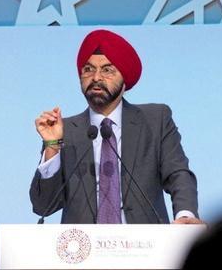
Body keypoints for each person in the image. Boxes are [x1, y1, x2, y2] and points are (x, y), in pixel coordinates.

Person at [30, 29, 200, 224]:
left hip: (144, 240)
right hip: (83, 242)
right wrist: (52, 146)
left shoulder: (155, 120)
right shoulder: (64, 130)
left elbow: (178, 173)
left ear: (124, 79)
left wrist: (185, 216)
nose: (96, 78)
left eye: (107, 70)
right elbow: (43, 206)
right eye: (88, 69)